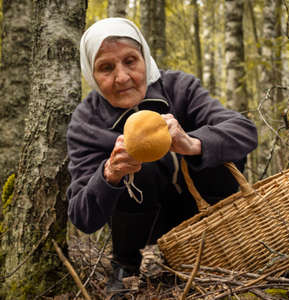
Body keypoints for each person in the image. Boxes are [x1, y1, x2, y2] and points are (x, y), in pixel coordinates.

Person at [66, 17, 258, 291]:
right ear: (91, 75)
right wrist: (109, 173)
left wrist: (192, 144)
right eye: (106, 68)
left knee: (216, 147)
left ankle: (221, 246)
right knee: (137, 164)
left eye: (130, 61)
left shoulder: (179, 88)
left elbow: (245, 131)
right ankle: (125, 266)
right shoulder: (86, 121)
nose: (122, 77)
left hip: (205, 211)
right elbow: (82, 217)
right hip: (144, 223)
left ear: (145, 58)